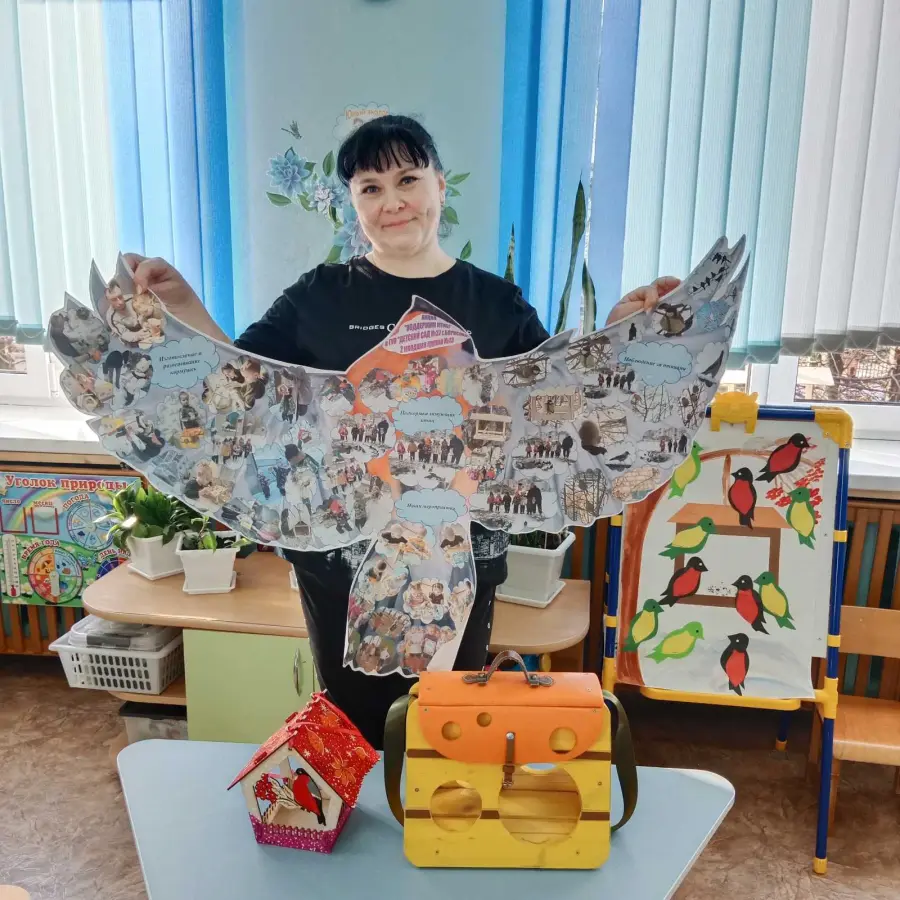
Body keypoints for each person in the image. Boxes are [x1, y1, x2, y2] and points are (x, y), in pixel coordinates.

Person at [124, 114, 678, 748]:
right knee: (355, 729)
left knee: (445, 726)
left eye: (408, 179)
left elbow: (557, 407)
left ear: (440, 184)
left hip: (461, 559)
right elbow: (241, 389)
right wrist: (182, 306)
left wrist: (621, 333)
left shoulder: (495, 303)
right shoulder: (319, 296)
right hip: (339, 563)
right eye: (370, 187)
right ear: (353, 202)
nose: (392, 202)